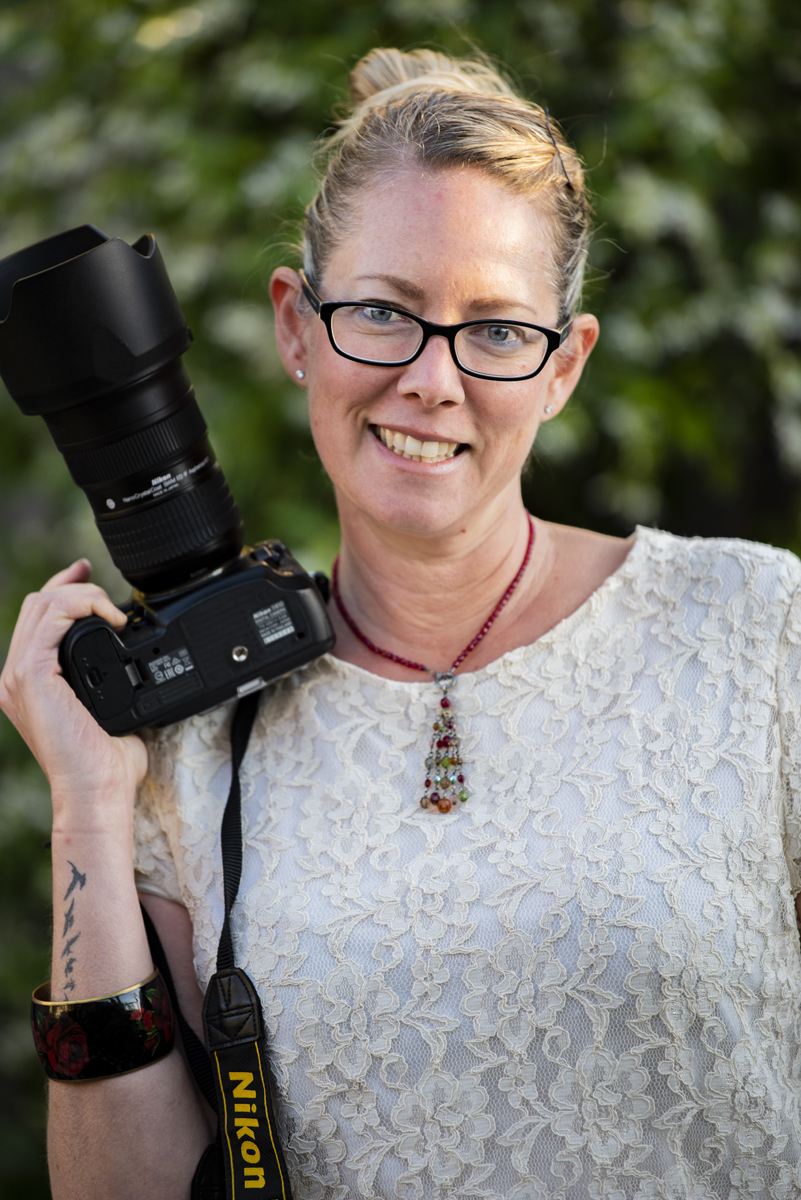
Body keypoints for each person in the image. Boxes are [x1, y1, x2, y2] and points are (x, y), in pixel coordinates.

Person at [2, 44, 801, 1200]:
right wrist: (86, 808)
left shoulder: (761, 634)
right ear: (296, 327)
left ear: (564, 366)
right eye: (383, 311)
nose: (433, 380)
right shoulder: (183, 745)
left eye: (495, 329)